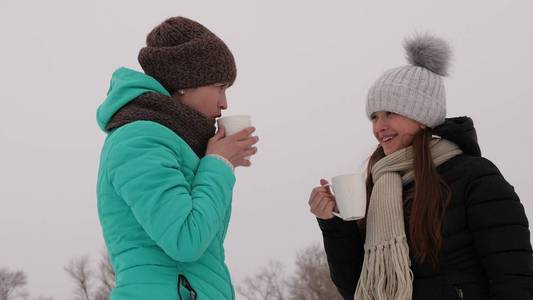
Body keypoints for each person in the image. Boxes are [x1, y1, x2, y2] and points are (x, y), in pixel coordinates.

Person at [309, 34, 533, 299]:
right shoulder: (379, 186)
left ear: (422, 116)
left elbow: (516, 279)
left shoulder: (476, 178)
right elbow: (356, 289)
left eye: (390, 113)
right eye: (374, 117)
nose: (379, 127)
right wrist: (334, 224)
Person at [96, 16, 258, 299]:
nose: (225, 102)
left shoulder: (176, 141)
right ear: (185, 82)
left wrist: (218, 161)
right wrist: (218, 165)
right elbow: (185, 239)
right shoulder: (139, 140)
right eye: (219, 87)